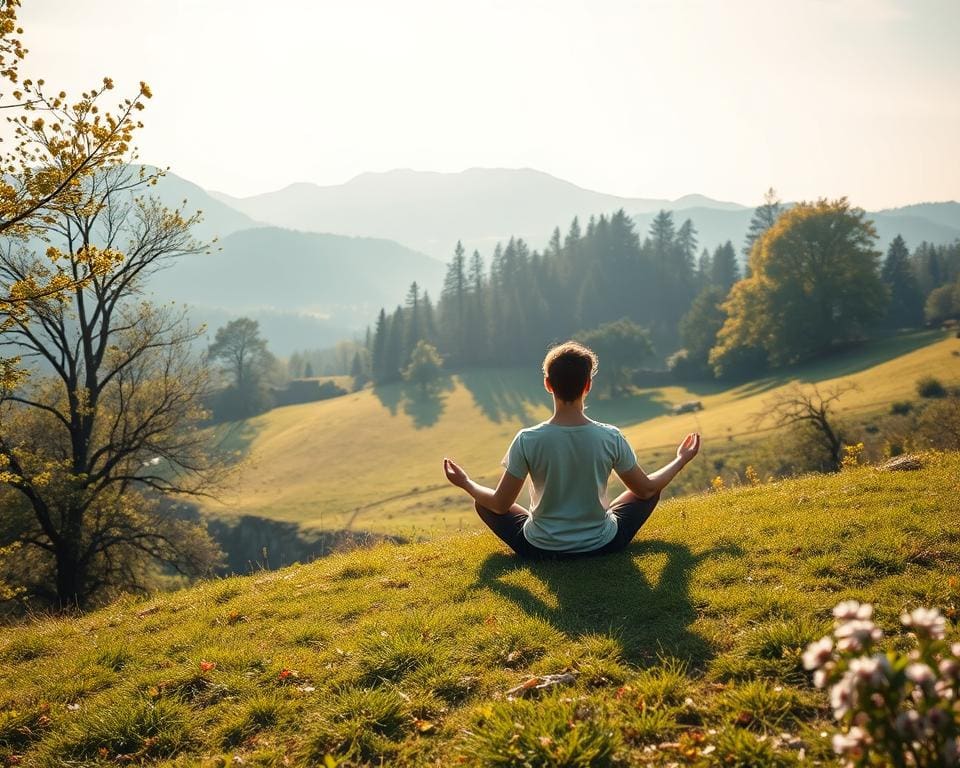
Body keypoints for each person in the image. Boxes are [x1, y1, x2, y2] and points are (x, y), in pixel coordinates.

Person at [442, 340, 700, 558]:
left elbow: (499, 505)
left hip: (540, 549)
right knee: (649, 491)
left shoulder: (527, 439)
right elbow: (646, 489)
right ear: (588, 385)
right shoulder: (610, 436)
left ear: (548, 384)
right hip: (604, 545)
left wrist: (465, 483)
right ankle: (596, 522)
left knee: (483, 502)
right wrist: (680, 459)